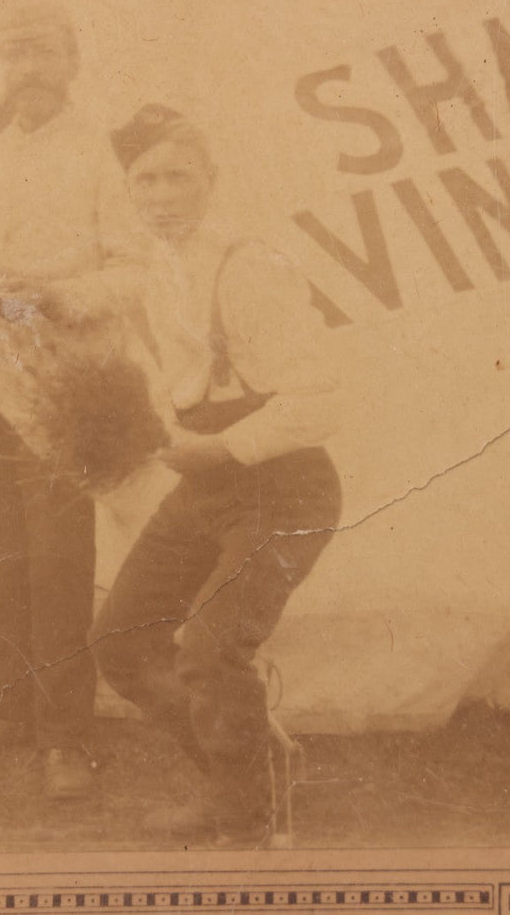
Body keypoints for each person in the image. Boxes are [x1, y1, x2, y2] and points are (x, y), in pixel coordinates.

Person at [89, 105, 344, 846]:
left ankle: (245, 818)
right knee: (121, 642)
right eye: (145, 181)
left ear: (211, 182)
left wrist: (224, 448)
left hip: (284, 488)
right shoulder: (156, 270)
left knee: (207, 646)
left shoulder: (251, 267)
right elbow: (181, 385)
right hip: (208, 487)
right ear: (128, 192)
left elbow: (321, 399)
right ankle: (259, 765)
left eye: (178, 178)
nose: (161, 195)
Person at [0, 0, 144, 800]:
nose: (26, 71)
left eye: (40, 53)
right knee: (0, 557)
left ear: (71, 62)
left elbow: (132, 271)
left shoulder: (98, 158)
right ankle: (14, 712)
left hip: (61, 387)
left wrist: (54, 295)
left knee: (57, 562)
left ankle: (64, 738)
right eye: (12, 56)